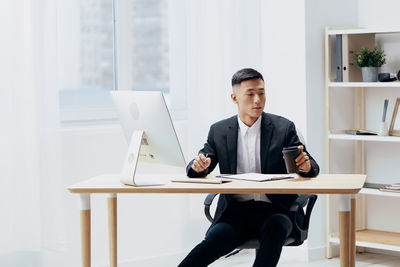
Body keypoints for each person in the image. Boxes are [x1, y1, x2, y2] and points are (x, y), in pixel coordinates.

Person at [178, 68, 319, 267]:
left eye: (261, 93)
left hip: (277, 210)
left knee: (273, 230)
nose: (257, 100)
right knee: (212, 242)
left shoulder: (283, 128)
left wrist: (305, 166)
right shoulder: (219, 131)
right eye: (250, 94)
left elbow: (311, 166)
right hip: (236, 213)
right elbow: (200, 164)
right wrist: (198, 167)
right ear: (234, 98)